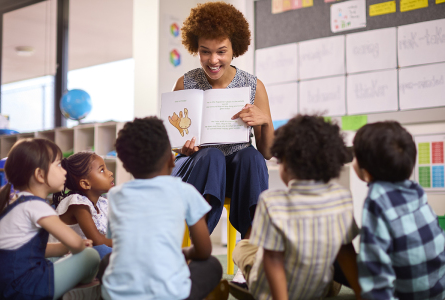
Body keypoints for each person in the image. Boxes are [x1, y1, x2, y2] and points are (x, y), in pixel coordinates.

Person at [172, 2, 274, 242]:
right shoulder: (184, 83)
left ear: (234, 49)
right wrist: (183, 148)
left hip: (238, 175)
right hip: (200, 171)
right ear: (196, 48)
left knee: (252, 156)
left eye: (221, 51)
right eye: (205, 51)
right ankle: (199, 246)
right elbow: (175, 145)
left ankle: (250, 248)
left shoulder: (253, 86)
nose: (213, 60)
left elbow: (267, 152)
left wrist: (266, 122)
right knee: (212, 156)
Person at [231, 115, 362, 300]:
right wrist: (361, 293)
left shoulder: (271, 202)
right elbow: (346, 251)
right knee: (331, 263)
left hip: (273, 291)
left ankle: (252, 288)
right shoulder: (342, 198)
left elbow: (272, 258)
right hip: (319, 289)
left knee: (243, 246)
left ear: (283, 160)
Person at [101, 117, 228, 300]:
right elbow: (203, 250)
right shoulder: (185, 191)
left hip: (118, 295)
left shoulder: (115, 196)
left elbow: (118, 243)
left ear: (126, 165)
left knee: (107, 261)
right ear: (171, 159)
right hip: (170, 295)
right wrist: (184, 252)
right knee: (212, 265)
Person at [0, 138, 99, 300]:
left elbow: (31, 250)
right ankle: (82, 286)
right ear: (40, 175)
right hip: (30, 287)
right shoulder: (36, 205)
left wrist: (64, 248)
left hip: (7, 289)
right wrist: (79, 245)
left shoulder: (16, 205)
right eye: (58, 165)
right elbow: (75, 243)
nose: (64, 171)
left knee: (59, 259)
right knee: (91, 255)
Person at [353, 121, 445, 300]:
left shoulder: (377, 200)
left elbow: (374, 267)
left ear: (367, 173)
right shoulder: (415, 190)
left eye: (355, 156)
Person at [52, 152, 114, 259]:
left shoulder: (102, 202)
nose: (110, 173)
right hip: (64, 259)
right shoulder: (77, 203)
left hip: (83, 254)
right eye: (102, 170)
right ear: (85, 184)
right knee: (101, 250)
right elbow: (98, 241)